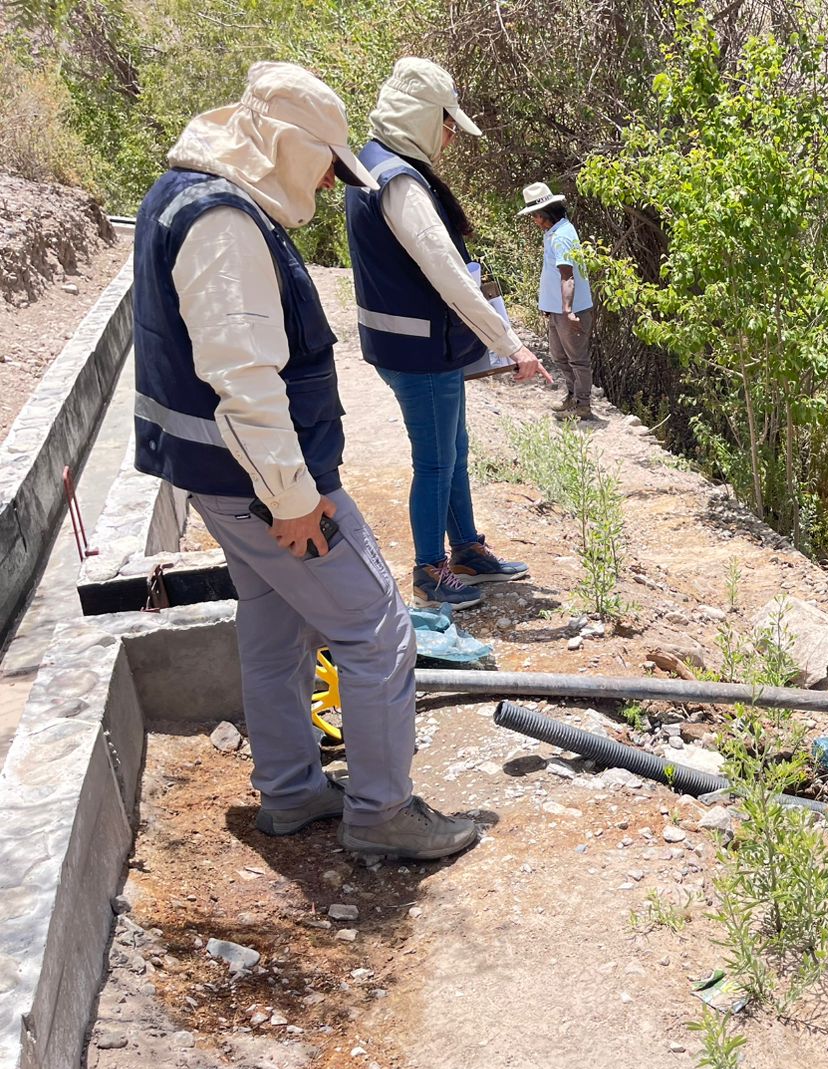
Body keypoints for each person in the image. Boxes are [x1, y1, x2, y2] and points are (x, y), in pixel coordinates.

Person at [132, 62, 478, 861]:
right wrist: (293, 498)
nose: (329, 180)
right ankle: (382, 815)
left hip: (221, 477)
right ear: (288, 145)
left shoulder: (184, 194)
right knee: (378, 630)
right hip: (260, 485)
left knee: (275, 627)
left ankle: (290, 794)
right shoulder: (224, 222)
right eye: (326, 161)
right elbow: (244, 378)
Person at [345, 57, 548, 610]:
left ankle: (467, 551)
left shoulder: (372, 163)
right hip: (422, 353)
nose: (451, 137)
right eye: (448, 123)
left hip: (411, 347)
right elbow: (450, 275)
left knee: (452, 452)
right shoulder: (400, 182)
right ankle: (430, 569)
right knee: (436, 463)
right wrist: (510, 344)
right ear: (421, 117)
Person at [519, 183, 595, 420]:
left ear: (544, 214)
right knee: (560, 356)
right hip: (557, 310)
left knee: (577, 359)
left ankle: (582, 405)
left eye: (535, 216)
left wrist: (568, 310)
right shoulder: (557, 231)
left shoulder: (561, 236)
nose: (535, 221)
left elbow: (567, 275)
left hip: (569, 310)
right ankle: (573, 397)